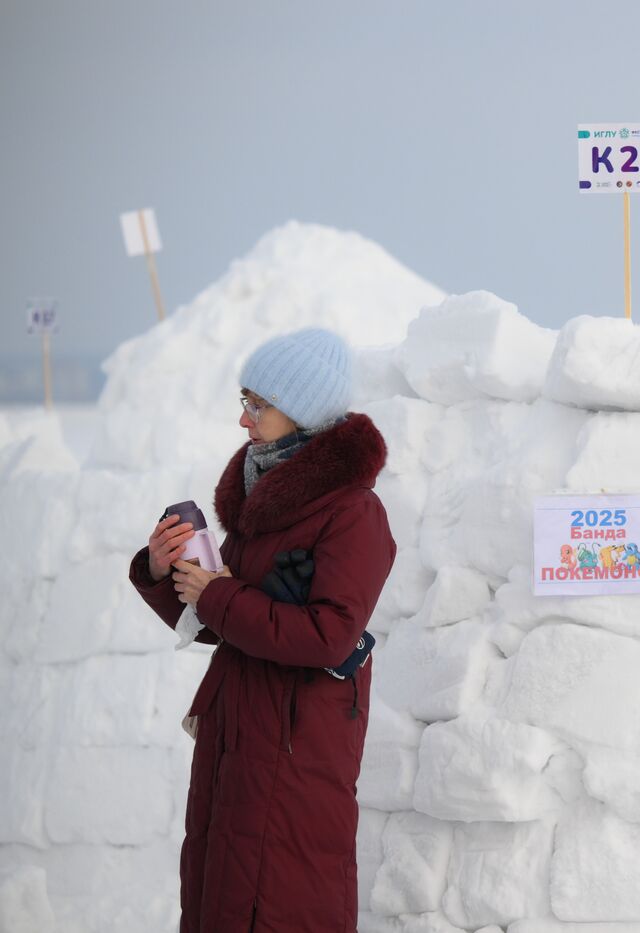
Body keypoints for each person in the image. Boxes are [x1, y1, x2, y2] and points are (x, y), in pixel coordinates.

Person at [128, 326, 397, 932]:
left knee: (284, 900)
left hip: (298, 744)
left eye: (258, 404)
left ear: (300, 410)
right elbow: (220, 624)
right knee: (217, 890)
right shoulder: (263, 497)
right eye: (244, 401)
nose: (244, 420)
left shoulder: (354, 512)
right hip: (238, 733)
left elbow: (329, 633)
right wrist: (162, 570)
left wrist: (221, 595)